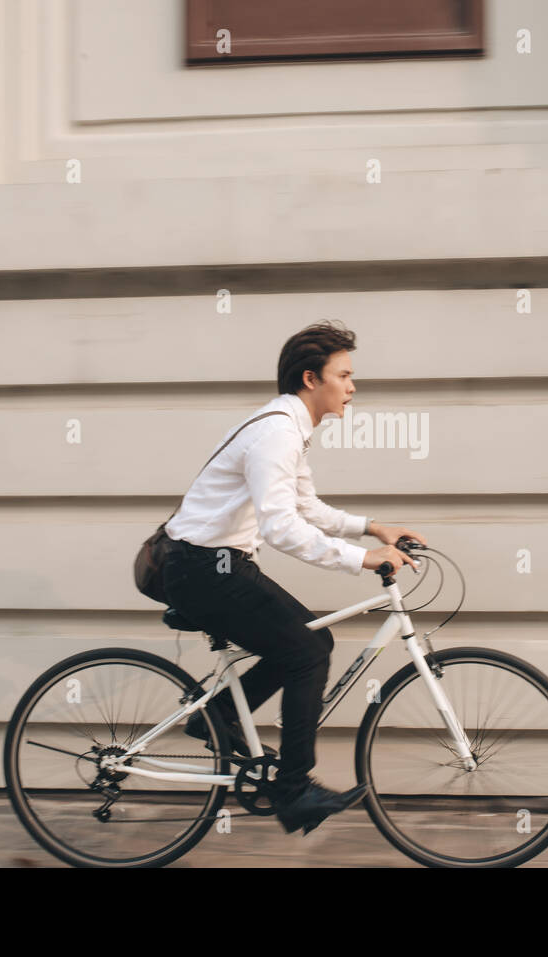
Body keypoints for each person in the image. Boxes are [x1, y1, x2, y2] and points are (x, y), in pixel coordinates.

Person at [161, 320, 426, 835]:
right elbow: (281, 527)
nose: (352, 387)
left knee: (309, 643)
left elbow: (306, 506)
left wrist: (373, 528)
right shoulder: (278, 432)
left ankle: (214, 719)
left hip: (212, 563)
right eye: (344, 375)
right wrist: (363, 558)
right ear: (311, 378)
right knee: (307, 651)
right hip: (202, 567)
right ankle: (293, 789)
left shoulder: (291, 427)